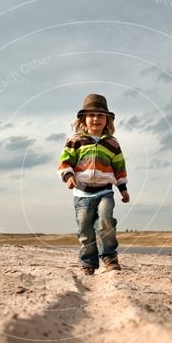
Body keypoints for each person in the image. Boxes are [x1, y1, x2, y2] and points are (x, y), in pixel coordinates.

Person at [58, 94, 130, 274]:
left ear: (107, 120)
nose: (96, 119)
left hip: (105, 192)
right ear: (83, 119)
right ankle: (89, 263)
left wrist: (123, 188)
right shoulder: (75, 141)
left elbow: (119, 167)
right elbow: (65, 162)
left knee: (106, 221)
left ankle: (109, 258)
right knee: (85, 229)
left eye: (100, 115)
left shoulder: (112, 143)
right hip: (82, 195)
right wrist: (68, 176)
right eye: (91, 115)